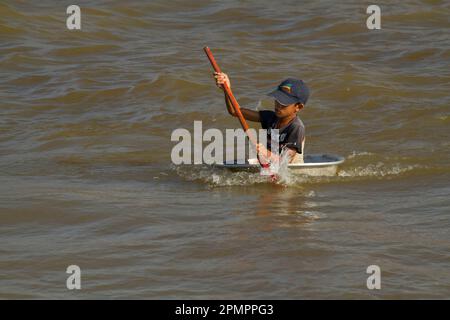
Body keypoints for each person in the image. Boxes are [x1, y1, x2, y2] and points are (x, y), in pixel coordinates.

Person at [214, 72, 309, 164]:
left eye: (284, 103)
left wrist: (265, 152)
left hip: (289, 169)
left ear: (298, 107)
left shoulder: (296, 127)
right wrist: (227, 90)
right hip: (270, 162)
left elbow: (285, 161)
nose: (278, 105)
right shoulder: (270, 117)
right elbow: (235, 112)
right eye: (277, 100)